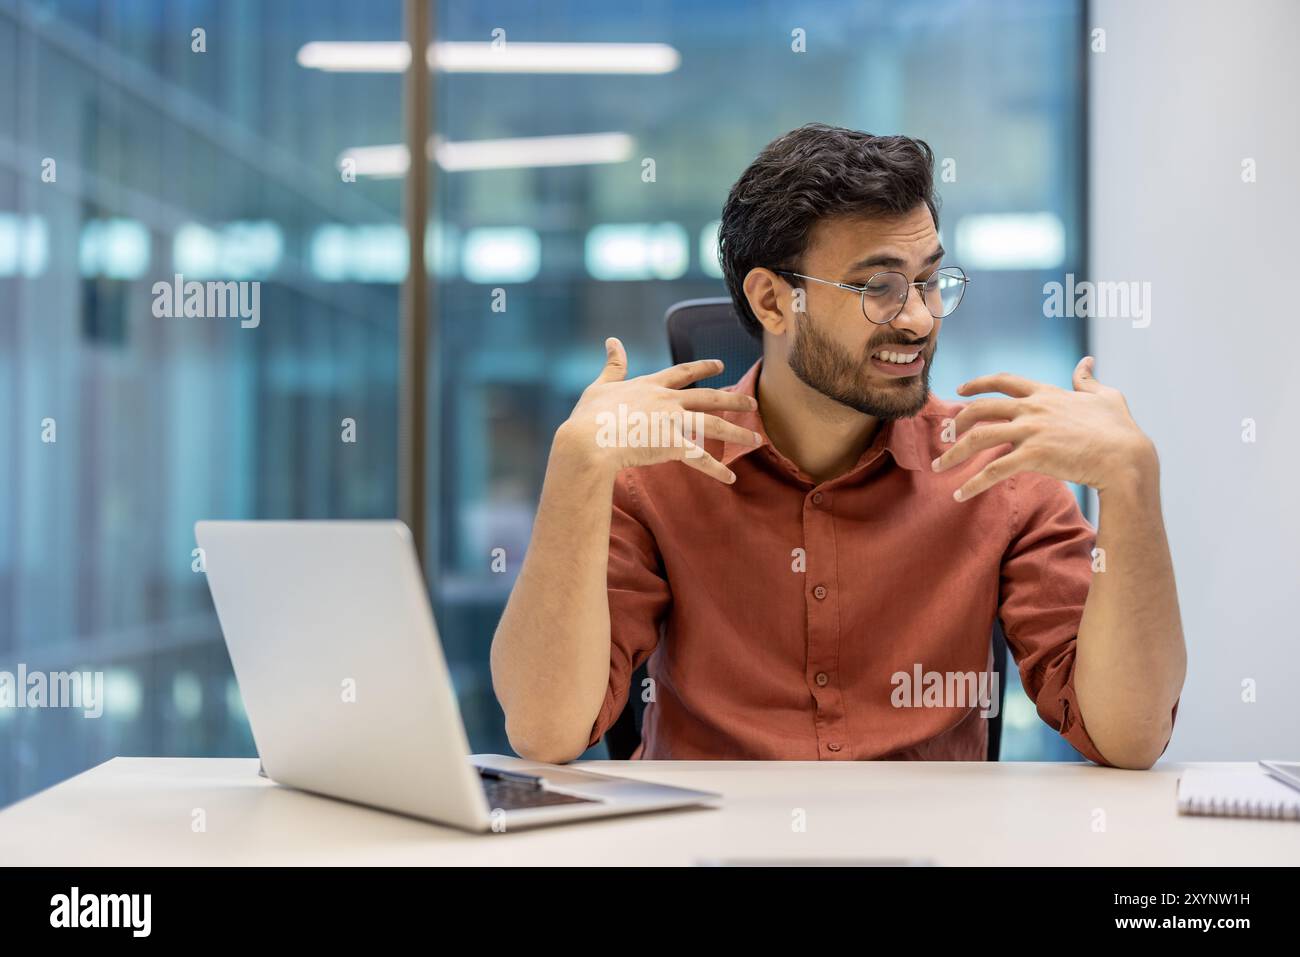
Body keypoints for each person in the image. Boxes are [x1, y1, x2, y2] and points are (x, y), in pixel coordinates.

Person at [491, 123, 1184, 767]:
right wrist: (576, 467)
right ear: (771, 303)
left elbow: (1128, 738)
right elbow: (544, 731)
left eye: (928, 280)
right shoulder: (659, 472)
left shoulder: (996, 468)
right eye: (876, 287)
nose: (917, 318)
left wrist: (1132, 484)